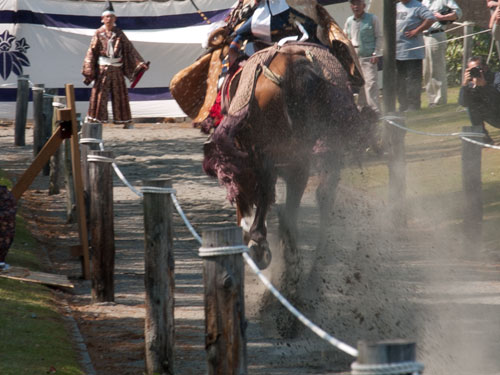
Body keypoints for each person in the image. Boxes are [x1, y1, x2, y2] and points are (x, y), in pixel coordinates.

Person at [82, 1, 149, 129]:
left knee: (120, 94)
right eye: (107, 17)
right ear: (102, 18)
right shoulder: (98, 33)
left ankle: (125, 120)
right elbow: (91, 52)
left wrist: (140, 63)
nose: (109, 19)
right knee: (100, 94)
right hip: (103, 68)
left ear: (115, 18)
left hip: (117, 68)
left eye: (111, 17)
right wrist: (89, 70)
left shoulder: (119, 33)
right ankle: (95, 119)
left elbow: (130, 49)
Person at [396, 0, 435, 112]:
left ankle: (413, 106)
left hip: (413, 52)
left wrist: (416, 30)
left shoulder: (417, 6)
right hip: (398, 51)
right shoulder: (397, 6)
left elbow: (431, 18)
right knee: (400, 81)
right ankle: (403, 105)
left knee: (413, 80)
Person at [344, 0, 383, 114]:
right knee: (360, 86)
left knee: (371, 84)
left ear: (364, 6)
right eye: (353, 4)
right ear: (351, 6)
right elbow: (344, 37)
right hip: (354, 59)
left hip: (368, 58)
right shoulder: (349, 21)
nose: (356, 7)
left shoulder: (372, 19)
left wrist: (376, 53)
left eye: (358, 4)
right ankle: (361, 111)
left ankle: (375, 112)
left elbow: (379, 37)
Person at [421, 0, 461, 107]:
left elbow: (458, 13)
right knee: (426, 71)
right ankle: (431, 100)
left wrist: (442, 17)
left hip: (436, 36)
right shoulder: (424, 1)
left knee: (437, 69)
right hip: (423, 37)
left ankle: (440, 100)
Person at [459, 56, 500, 144]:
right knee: (471, 105)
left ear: (486, 67)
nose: (475, 72)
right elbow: (463, 103)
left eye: (478, 69)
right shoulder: (472, 83)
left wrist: (485, 86)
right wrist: (465, 85)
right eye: (471, 70)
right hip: (492, 116)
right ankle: (483, 137)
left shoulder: (497, 78)